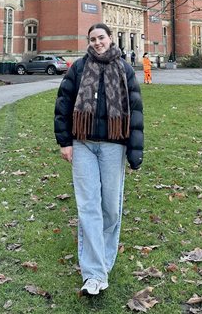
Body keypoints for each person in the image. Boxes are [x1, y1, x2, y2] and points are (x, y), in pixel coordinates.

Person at [54, 23, 143, 297]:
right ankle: (94, 273)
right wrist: (65, 141)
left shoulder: (124, 69)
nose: (97, 42)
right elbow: (63, 103)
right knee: (88, 207)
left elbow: (136, 110)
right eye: (92, 39)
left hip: (113, 146)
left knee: (111, 209)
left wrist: (135, 150)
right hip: (83, 144)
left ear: (110, 39)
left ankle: (102, 259)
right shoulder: (79, 68)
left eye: (101, 38)